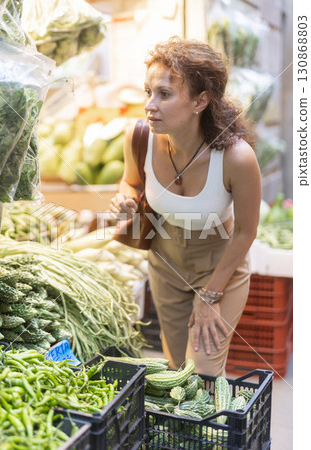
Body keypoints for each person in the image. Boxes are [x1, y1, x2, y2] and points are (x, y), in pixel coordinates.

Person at [109, 36, 261, 376]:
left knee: (204, 372)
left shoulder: (236, 158)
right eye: (148, 92)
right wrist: (127, 199)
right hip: (166, 264)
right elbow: (131, 182)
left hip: (219, 265)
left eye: (164, 94)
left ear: (200, 101)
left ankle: (217, 427)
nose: (150, 105)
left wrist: (210, 295)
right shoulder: (139, 137)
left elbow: (247, 232)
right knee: (177, 373)